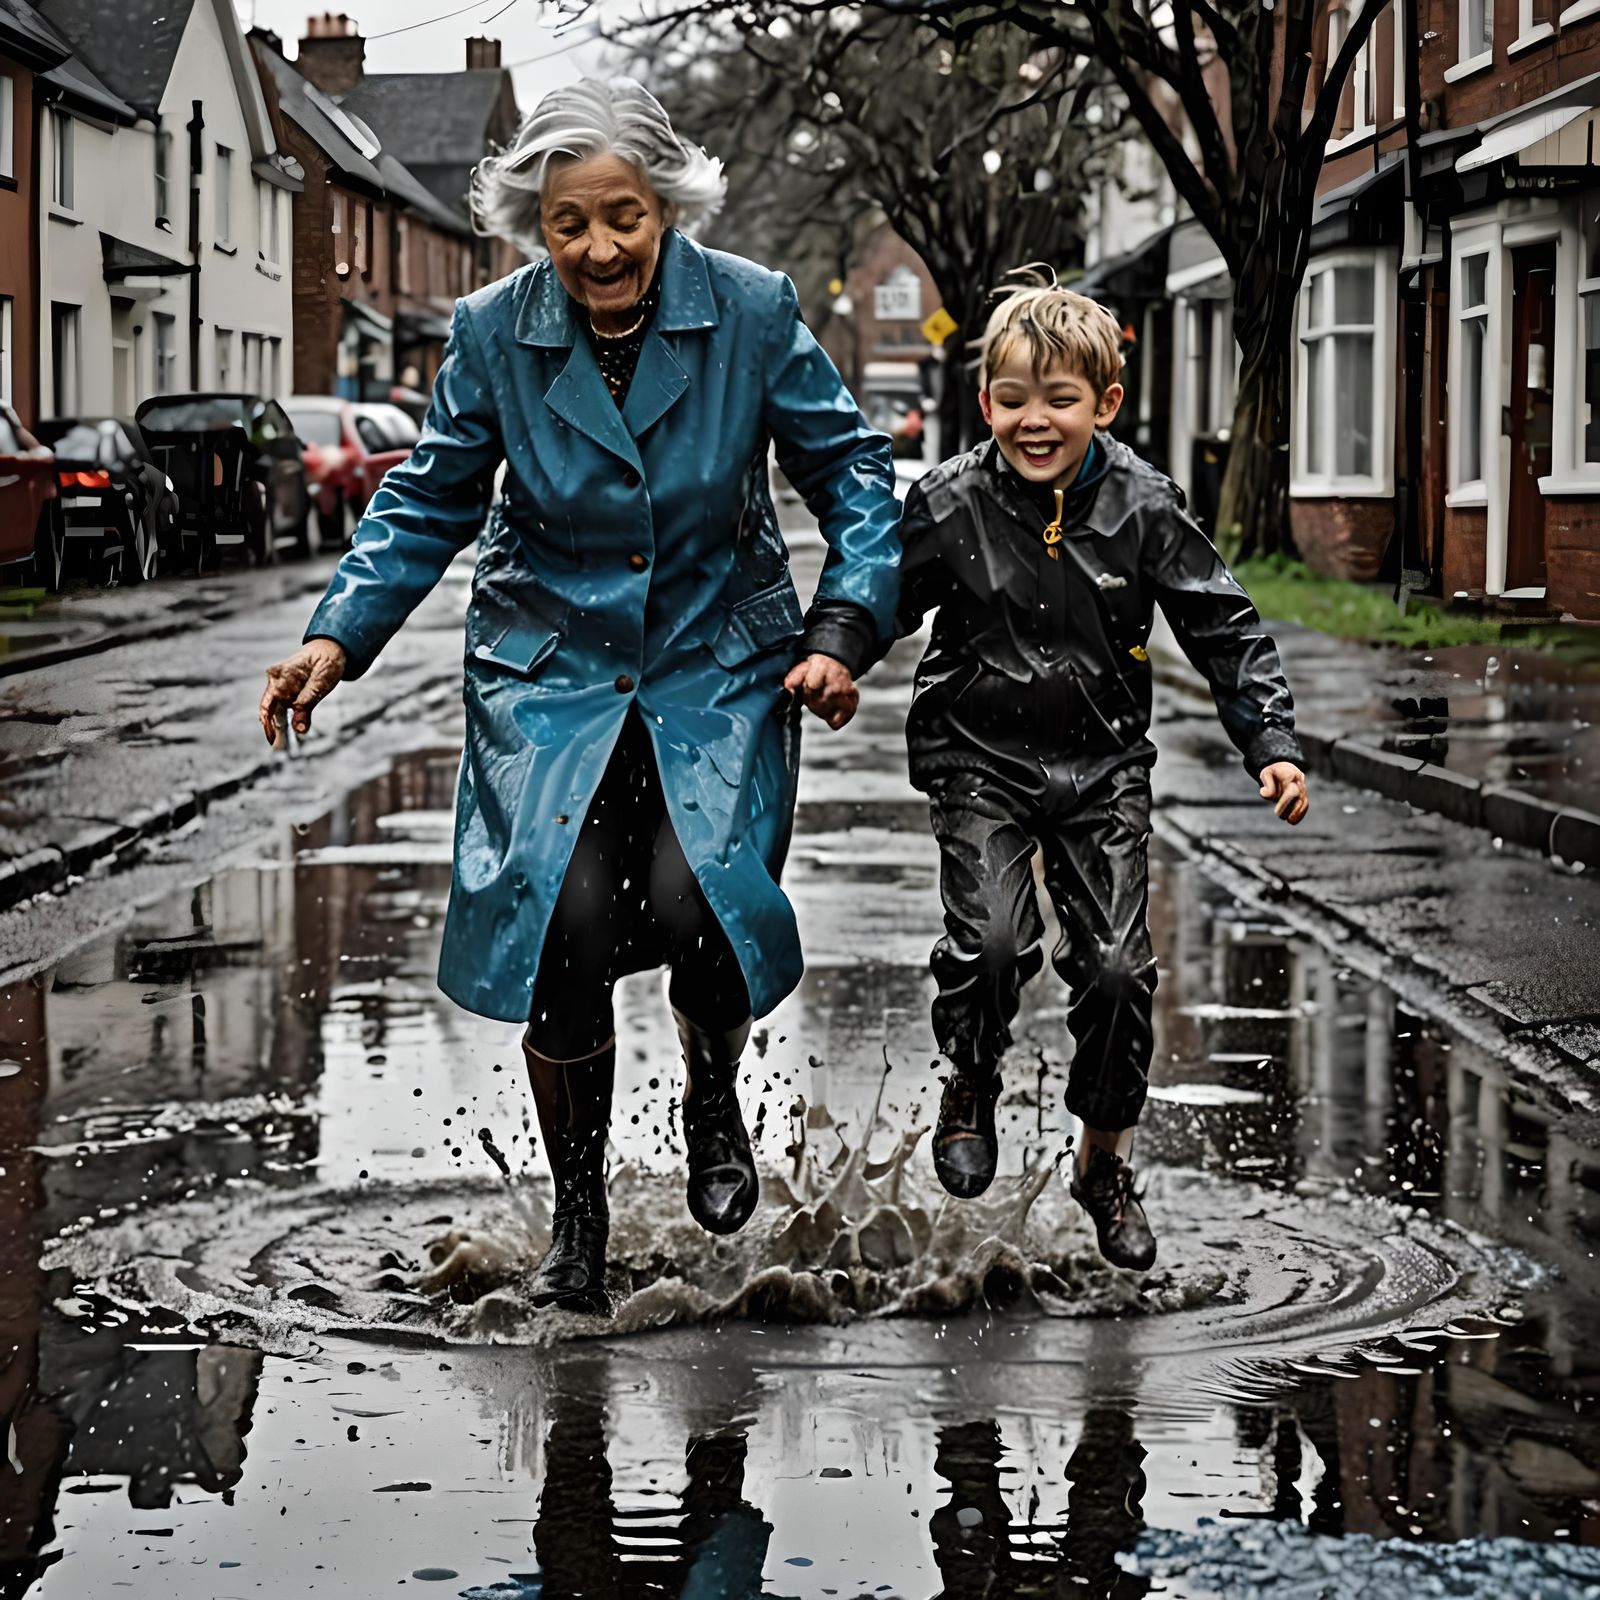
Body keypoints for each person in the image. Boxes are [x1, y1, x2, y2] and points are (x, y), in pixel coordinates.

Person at [258, 78, 900, 1313]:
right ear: (533, 225)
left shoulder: (756, 313)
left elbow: (855, 477)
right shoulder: (496, 332)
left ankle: (713, 1091)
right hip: (549, 672)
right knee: (564, 928)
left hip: (715, 662)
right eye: (568, 224)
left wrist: (843, 625)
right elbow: (428, 497)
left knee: (697, 894)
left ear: (665, 207)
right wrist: (339, 635)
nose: (598, 247)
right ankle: (581, 1221)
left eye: (623, 217)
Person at [888, 278, 1308, 1270]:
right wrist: (823, 652)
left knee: (1119, 973)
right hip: (977, 758)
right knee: (993, 941)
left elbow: (1224, 626)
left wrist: (1273, 741)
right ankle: (972, 1078)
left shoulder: (1143, 504)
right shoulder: (948, 501)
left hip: (1101, 766)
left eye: (1060, 399)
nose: (1036, 421)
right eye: (1014, 398)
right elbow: (878, 599)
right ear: (985, 400)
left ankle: (1103, 1163)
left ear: (1104, 404)